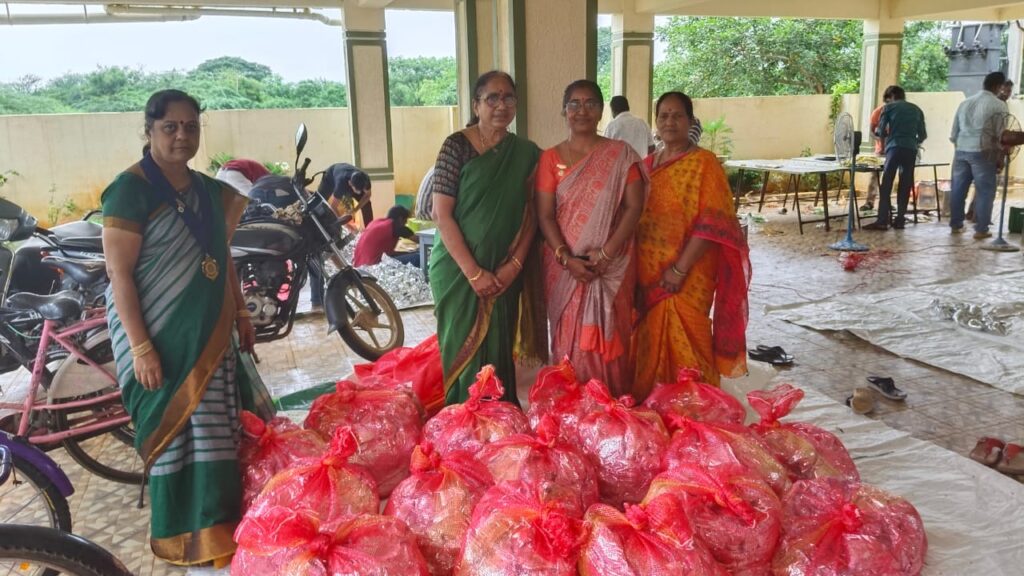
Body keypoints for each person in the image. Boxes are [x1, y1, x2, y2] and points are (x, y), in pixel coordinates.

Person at [101, 90, 274, 567]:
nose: (182, 136)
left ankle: (222, 528)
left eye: (191, 127)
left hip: (210, 330)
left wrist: (241, 314)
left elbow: (221, 257)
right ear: (149, 130)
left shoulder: (209, 192)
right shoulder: (129, 190)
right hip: (158, 336)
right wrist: (141, 348)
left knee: (217, 430)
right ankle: (182, 533)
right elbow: (119, 274)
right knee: (176, 434)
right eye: (170, 127)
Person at [428, 70, 543, 407]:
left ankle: (498, 420)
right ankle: (461, 421)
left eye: (508, 98)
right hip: (457, 272)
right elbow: (441, 214)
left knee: (498, 350)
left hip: (505, 273)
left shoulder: (527, 153)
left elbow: (533, 214)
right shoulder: (456, 146)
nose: (501, 105)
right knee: (461, 352)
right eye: (492, 98)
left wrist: (514, 266)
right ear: (476, 104)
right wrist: (474, 273)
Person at [631, 91, 750, 397]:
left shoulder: (704, 164)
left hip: (689, 273)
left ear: (690, 121)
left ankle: (696, 405)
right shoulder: (646, 166)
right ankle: (653, 403)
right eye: (663, 116)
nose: (669, 122)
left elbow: (712, 225)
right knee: (648, 339)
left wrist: (679, 269)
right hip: (648, 274)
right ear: (656, 122)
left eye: (677, 116)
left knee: (689, 339)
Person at [537, 80, 648, 396]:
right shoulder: (550, 159)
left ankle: (609, 407)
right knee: (567, 343)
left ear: (601, 111)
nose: (582, 110)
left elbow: (634, 207)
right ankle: (570, 407)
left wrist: (607, 253)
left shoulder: (621, 154)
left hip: (611, 266)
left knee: (609, 340)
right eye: (574, 103)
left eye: (590, 103)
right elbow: (545, 215)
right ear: (564, 111)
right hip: (564, 269)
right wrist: (566, 258)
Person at [950, 71, 1010, 239]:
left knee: (958, 189)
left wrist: (960, 147)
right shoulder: (999, 105)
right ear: (998, 86)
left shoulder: (965, 103)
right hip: (984, 151)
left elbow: (954, 133)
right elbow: (1001, 134)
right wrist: (1000, 156)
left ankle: (956, 226)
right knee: (985, 191)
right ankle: (981, 229)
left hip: (961, 149)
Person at [863, 85, 927, 231]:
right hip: (911, 150)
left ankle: (882, 221)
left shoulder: (888, 108)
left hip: (894, 148)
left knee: (886, 184)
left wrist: (884, 142)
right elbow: (923, 135)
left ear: (892, 96)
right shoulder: (917, 109)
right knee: (905, 185)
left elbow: (881, 131)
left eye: (888, 99)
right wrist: (913, 142)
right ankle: (900, 220)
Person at [353, 205, 419, 267]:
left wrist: (408, 253)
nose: (405, 223)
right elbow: (420, 240)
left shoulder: (377, 222)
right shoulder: (395, 226)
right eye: (405, 221)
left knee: (410, 254)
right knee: (417, 258)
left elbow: (389, 254)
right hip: (373, 267)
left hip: (360, 266)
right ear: (401, 219)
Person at [860, 102, 886, 212]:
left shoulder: (898, 112)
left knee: (889, 177)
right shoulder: (877, 112)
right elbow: (871, 131)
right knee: (874, 176)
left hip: (893, 150)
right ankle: (869, 202)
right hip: (880, 150)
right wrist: (878, 138)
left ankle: (886, 203)